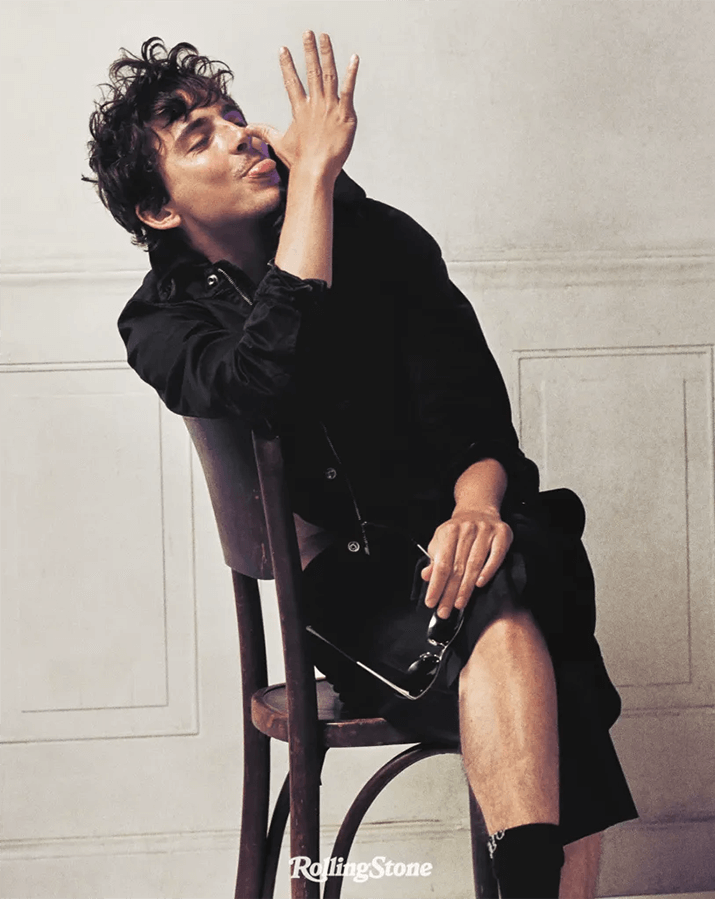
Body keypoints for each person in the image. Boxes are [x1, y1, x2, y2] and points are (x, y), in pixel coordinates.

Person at [85, 32, 638, 898]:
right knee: (518, 613)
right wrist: (313, 182)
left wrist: (476, 510)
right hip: (348, 585)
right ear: (159, 209)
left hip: (466, 539)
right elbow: (264, 379)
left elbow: (475, 419)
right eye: (199, 137)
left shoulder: (381, 240)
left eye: (233, 113)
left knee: (505, 573)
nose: (240, 133)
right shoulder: (160, 322)